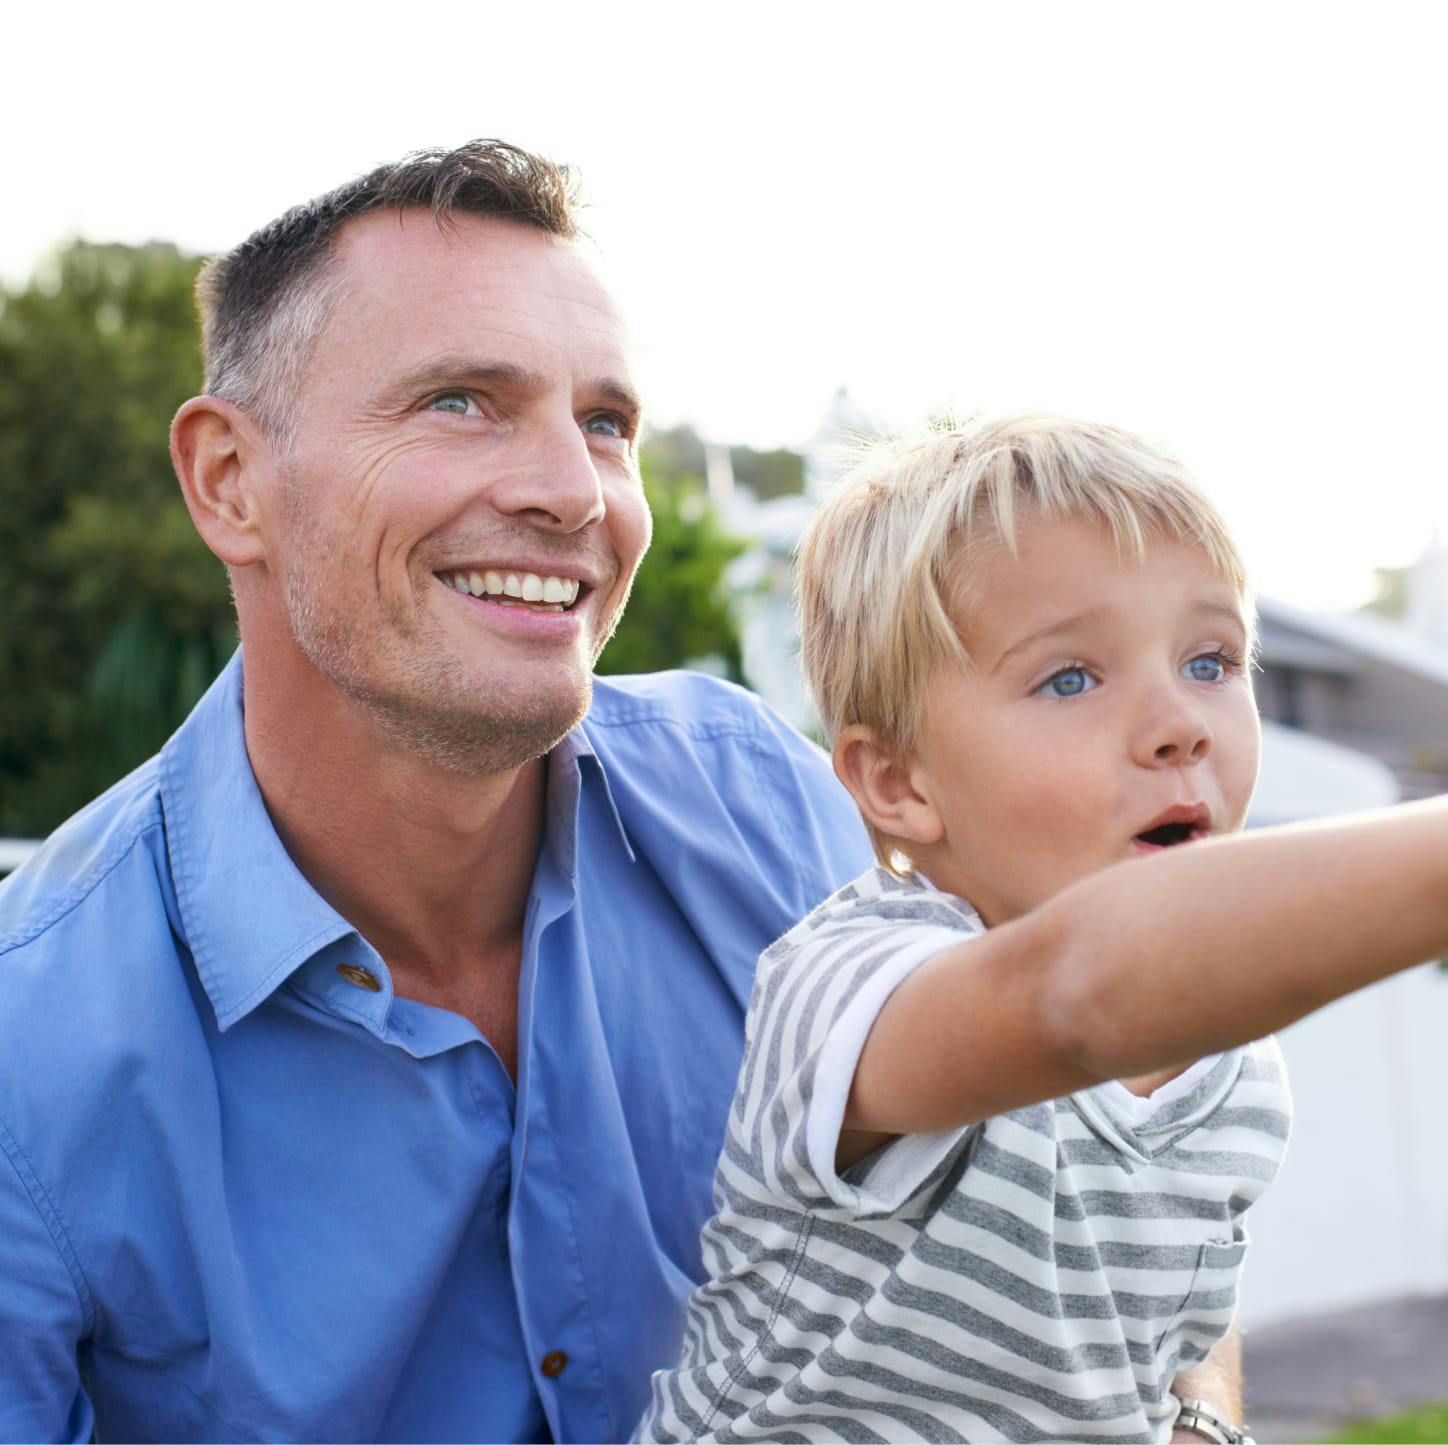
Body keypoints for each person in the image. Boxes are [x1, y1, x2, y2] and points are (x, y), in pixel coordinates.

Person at [0, 142, 877, 1443]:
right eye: (461, 401)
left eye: (605, 423)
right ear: (230, 482)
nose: (575, 492)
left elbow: (1090, 1184)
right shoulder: (32, 1055)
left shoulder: (771, 812)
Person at [638, 415, 1448, 1444]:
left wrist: (1200, 1427)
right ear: (896, 779)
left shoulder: (1235, 1070)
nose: (1181, 720)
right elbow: (1071, 998)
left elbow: (1170, 1334)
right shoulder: (851, 980)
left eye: (1210, 658)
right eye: (1069, 677)